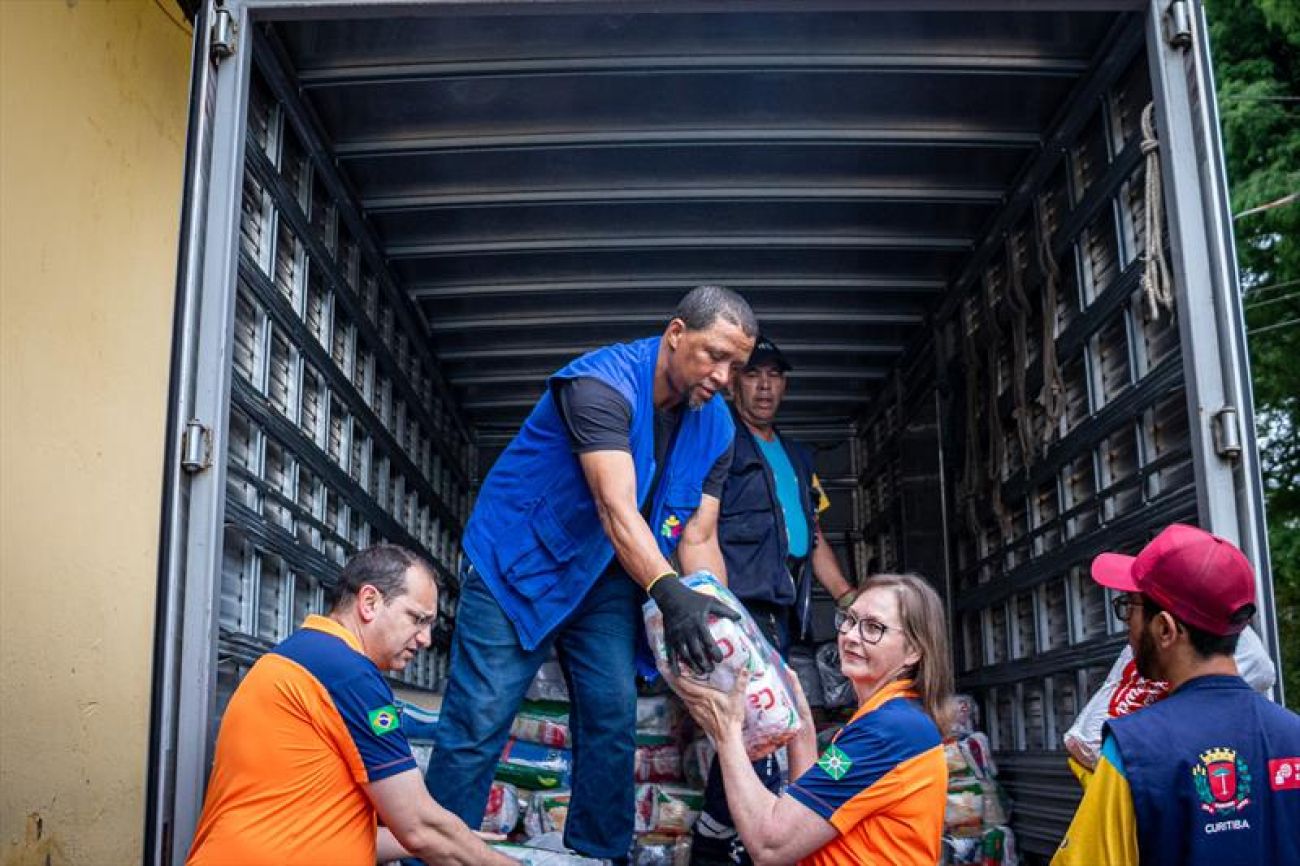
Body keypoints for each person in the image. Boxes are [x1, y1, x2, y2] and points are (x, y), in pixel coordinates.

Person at [422, 286, 758, 862]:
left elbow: (698, 536)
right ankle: (432, 853)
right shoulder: (600, 385)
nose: (725, 377)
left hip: (606, 576)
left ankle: (600, 853)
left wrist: (718, 615)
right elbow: (615, 508)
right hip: (519, 565)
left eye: (737, 365)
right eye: (714, 355)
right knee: (480, 719)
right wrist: (669, 594)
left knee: (611, 718)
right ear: (676, 334)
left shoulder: (718, 427)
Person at [186, 544, 512, 866]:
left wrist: (456, 842)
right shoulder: (347, 673)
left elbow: (352, 833)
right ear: (369, 602)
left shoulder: (308, 655)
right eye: (417, 619)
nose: (426, 639)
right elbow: (418, 825)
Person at [693, 335, 857, 865]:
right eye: (753, 374)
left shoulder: (797, 456)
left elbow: (816, 538)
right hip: (739, 608)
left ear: (784, 384)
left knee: (768, 730)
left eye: (775, 375)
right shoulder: (717, 440)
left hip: (782, 611)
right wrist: (710, 605)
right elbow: (698, 527)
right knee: (759, 733)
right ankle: (729, 844)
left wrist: (849, 597)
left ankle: (726, 840)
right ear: (735, 381)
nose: (764, 386)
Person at [1052, 524, 1300, 866]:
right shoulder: (1294, 736)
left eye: (1131, 608)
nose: (1129, 628)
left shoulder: (1132, 751)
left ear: (1165, 629)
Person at [675, 573, 952, 866]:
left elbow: (770, 845)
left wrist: (726, 733)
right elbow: (811, 812)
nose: (851, 636)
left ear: (913, 651)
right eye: (850, 619)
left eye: (873, 628)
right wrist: (802, 730)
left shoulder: (888, 731)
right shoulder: (891, 718)